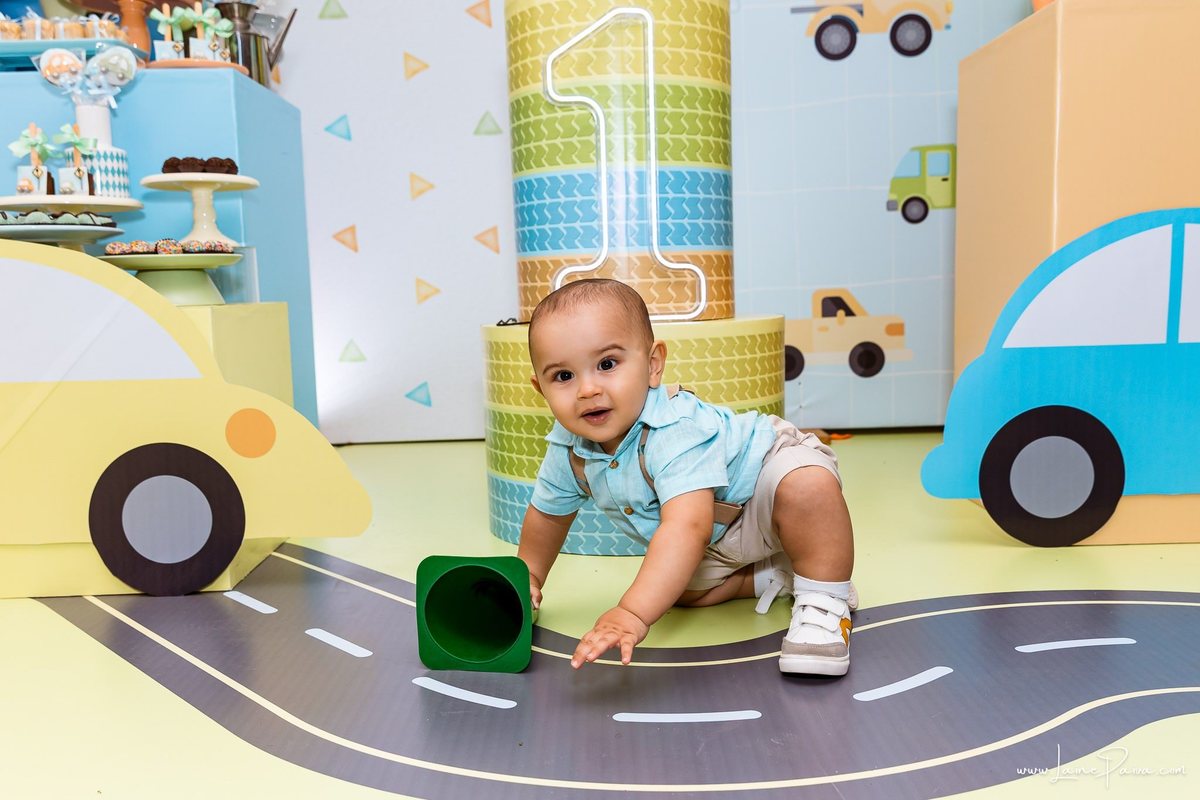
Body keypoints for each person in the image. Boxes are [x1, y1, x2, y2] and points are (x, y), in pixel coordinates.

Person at [516, 278, 856, 675]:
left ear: (653, 364)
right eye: (563, 376)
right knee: (676, 589)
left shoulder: (673, 428)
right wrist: (528, 576)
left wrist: (631, 612)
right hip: (715, 533)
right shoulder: (568, 449)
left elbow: (685, 527)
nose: (588, 389)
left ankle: (825, 601)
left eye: (607, 365)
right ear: (541, 389)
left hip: (763, 486)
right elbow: (547, 516)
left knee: (806, 485)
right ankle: (773, 574)